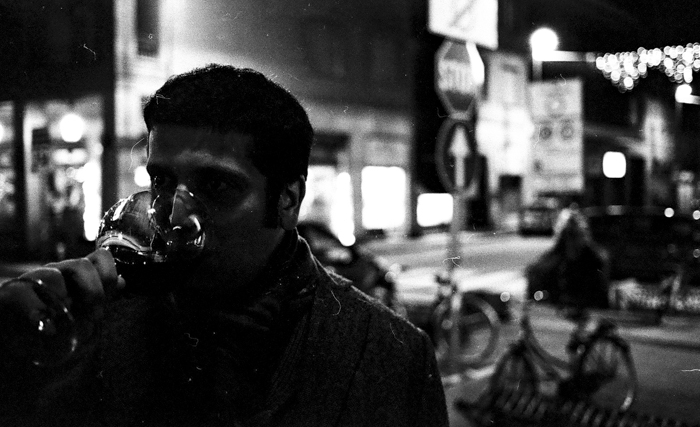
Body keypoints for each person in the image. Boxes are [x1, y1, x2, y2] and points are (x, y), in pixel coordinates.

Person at [0, 65, 448, 426]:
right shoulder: (100, 322)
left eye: (216, 185)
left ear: (288, 201)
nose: (174, 214)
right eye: (162, 181)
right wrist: (21, 367)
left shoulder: (391, 356)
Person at [525, 206, 610, 311]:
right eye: (568, 235)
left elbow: (600, 298)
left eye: (575, 235)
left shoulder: (595, 262)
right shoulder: (549, 264)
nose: (571, 242)